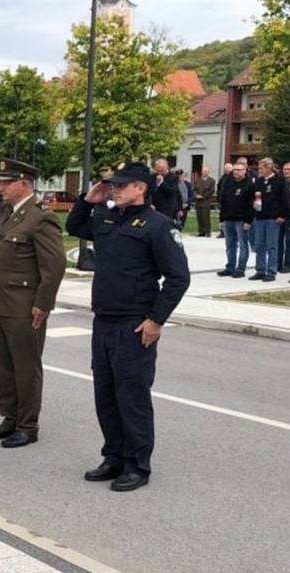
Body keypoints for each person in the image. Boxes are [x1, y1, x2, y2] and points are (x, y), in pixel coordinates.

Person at [66, 162, 190, 492]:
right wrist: (87, 199)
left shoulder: (158, 226)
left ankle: (137, 464)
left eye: (122, 185)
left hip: (134, 324)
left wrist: (156, 319)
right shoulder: (106, 217)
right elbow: (74, 225)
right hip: (104, 320)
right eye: (112, 185)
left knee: (131, 396)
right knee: (105, 394)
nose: (114, 189)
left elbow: (179, 278)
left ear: (141, 188)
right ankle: (114, 456)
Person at [0, 159, 66, 448]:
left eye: (6, 182)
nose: (1, 187)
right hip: (0, 302)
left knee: (25, 367)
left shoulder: (39, 218)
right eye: (0, 183)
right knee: (3, 365)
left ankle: (28, 424)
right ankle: (10, 417)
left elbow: (54, 266)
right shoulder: (7, 213)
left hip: (23, 304)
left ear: (24, 184)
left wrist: (43, 304)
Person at [217, 162, 255, 278]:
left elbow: (251, 204)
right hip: (228, 218)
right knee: (230, 245)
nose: (236, 172)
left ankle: (240, 268)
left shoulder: (250, 185)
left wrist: (249, 221)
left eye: (239, 170)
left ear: (245, 171)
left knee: (243, 245)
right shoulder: (228, 183)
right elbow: (222, 201)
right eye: (235, 170)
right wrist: (222, 219)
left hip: (242, 219)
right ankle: (230, 267)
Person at [249, 158, 283, 282]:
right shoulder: (258, 181)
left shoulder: (279, 180)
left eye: (261, 168)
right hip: (260, 216)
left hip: (273, 217)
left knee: (272, 245)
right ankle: (260, 270)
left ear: (269, 168)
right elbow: (253, 195)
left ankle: (271, 271)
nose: (259, 170)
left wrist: (281, 215)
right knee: (259, 245)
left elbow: (283, 199)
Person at [151, 158, 180, 223]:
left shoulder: (173, 177)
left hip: (166, 209)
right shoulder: (153, 176)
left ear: (166, 168)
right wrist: (150, 203)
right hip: (154, 208)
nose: (159, 173)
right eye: (158, 170)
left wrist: (162, 183)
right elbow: (150, 191)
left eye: (161, 171)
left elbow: (171, 191)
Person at [193, 166, 216, 237]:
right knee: (199, 217)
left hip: (206, 201)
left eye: (206, 171)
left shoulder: (212, 180)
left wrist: (203, 196)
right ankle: (201, 231)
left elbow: (211, 191)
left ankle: (207, 231)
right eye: (203, 171)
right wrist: (196, 195)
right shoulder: (197, 180)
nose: (204, 172)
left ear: (208, 172)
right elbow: (194, 189)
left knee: (205, 217)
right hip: (198, 202)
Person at [215, 162, 234, 239]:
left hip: (230, 202)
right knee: (222, 217)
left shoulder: (233, 177)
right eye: (225, 169)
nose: (226, 170)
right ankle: (222, 231)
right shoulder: (223, 177)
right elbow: (219, 188)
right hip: (223, 201)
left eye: (228, 169)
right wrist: (219, 198)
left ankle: (230, 232)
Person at [283, 162, 290, 276]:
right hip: (283, 216)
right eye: (284, 169)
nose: (286, 171)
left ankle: (289, 264)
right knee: (282, 241)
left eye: (288, 169)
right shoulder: (282, 183)